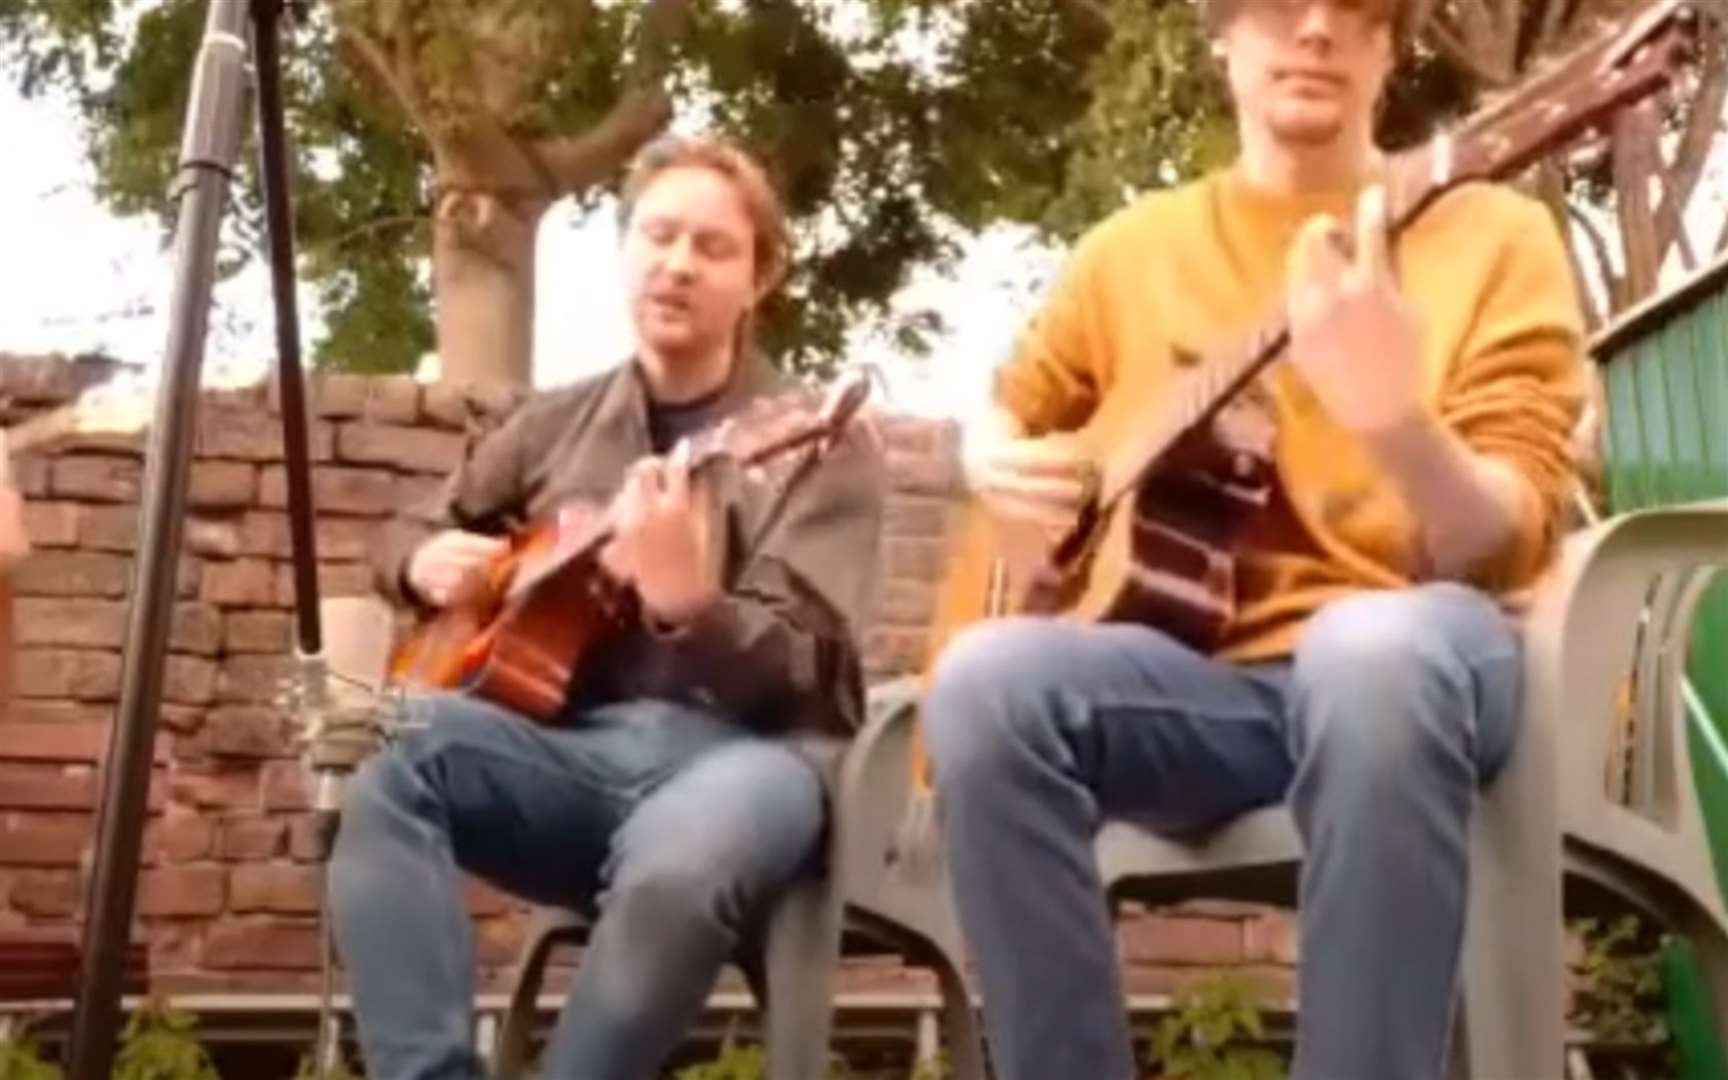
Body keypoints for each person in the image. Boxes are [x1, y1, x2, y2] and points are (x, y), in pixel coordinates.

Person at [920, 1, 1586, 1078]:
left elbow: (1504, 539)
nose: (1316, 29)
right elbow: (1011, 405)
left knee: (1365, 652)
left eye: (1356, 9)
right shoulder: (1130, 252)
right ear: (1220, 35)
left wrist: (1396, 428)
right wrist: (988, 458)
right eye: (1278, 5)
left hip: (1428, 676)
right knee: (986, 681)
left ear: (1390, 46)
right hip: (1201, 693)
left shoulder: (1493, 236)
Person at [329, 134, 885, 1080]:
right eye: (657, 235)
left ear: (758, 280)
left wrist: (691, 606)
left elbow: (821, 668)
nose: (677, 264)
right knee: (392, 743)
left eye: (713, 247)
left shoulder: (818, 441)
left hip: (754, 760)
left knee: (680, 867)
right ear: (625, 250)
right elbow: (406, 533)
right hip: (572, 754)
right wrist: (423, 563)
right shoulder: (551, 424)